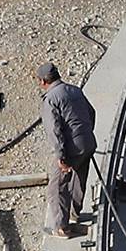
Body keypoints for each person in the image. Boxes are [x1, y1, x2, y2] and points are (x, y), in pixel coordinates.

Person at [38, 63, 95, 236]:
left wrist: (61, 156)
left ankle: (61, 228)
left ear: (42, 81)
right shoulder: (75, 90)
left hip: (71, 148)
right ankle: (75, 214)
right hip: (88, 142)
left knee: (57, 186)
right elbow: (91, 112)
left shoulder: (51, 99)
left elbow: (54, 130)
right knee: (79, 178)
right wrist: (85, 134)